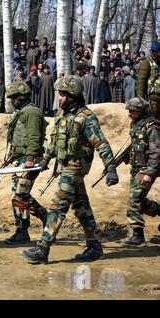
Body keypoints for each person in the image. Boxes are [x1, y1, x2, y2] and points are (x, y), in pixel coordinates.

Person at [20, 75, 119, 264]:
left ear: (73, 95)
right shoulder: (62, 114)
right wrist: (45, 160)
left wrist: (111, 168)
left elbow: (101, 144)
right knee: (82, 207)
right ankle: (95, 247)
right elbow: (55, 141)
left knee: (57, 206)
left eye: (63, 94)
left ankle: (43, 249)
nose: (60, 98)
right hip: (64, 166)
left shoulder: (86, 118)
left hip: (76, 168)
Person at [3, 81, 48, 244]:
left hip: (30, 161)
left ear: (21, 97)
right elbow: (19, 137)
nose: (12, 101)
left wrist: (29, 159)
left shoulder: (32, 113)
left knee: (20, 195)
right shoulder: (21, 112)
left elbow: (34, 138)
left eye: (14, 98)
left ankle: (23, 231)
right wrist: (13, 155)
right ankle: (45, 217)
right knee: (21, 194)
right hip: (21, 160)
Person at [121, 97, 160, 246]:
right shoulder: (136, 123)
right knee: (141, 201)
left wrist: (150, 173)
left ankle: (138, 234)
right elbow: (137, 143)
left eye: (132, 111)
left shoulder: (152, 126)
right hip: (136, 168)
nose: (129, 113)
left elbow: (156, 152)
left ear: (141, 111)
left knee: (133, 200)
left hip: (146, 170)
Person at [137, 41, 160, 120]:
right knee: (153, 119)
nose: (155, 54)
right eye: (153, 52)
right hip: (153, 97)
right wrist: (140, 98)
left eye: (156, 52)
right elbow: (141, 81)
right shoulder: (147, 63)